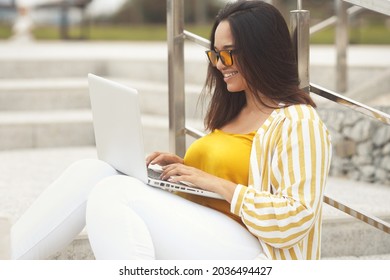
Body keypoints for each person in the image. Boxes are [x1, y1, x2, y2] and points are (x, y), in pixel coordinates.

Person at [10, 0, 332, 260]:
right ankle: (9, 263)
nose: (219, 64)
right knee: (94, 171)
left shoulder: (298, 121)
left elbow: (296, 218)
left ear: (262, 51)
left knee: (114, 194)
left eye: (227, 52)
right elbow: (226, 183)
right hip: (212, 236)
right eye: (214, 54)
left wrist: (214, 182)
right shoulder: (235, 111)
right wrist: (184, 172)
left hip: (259, 254)